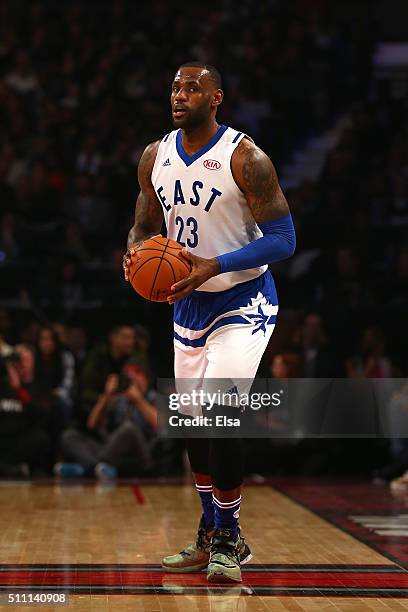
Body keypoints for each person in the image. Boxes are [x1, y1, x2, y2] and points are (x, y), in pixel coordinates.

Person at [123, 62, 296, 583]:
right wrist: (134, 254)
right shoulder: (155, 156)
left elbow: (285, 238)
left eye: (192, 87)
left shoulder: (246, 158)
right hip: (188, 306)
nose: (180, 94)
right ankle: (212, 533)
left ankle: (227, 538)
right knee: (192, 423)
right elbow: (143, 224)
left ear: (216, 98)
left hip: (242, 301)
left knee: (221, 414)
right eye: (175, 86)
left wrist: (214, 265)